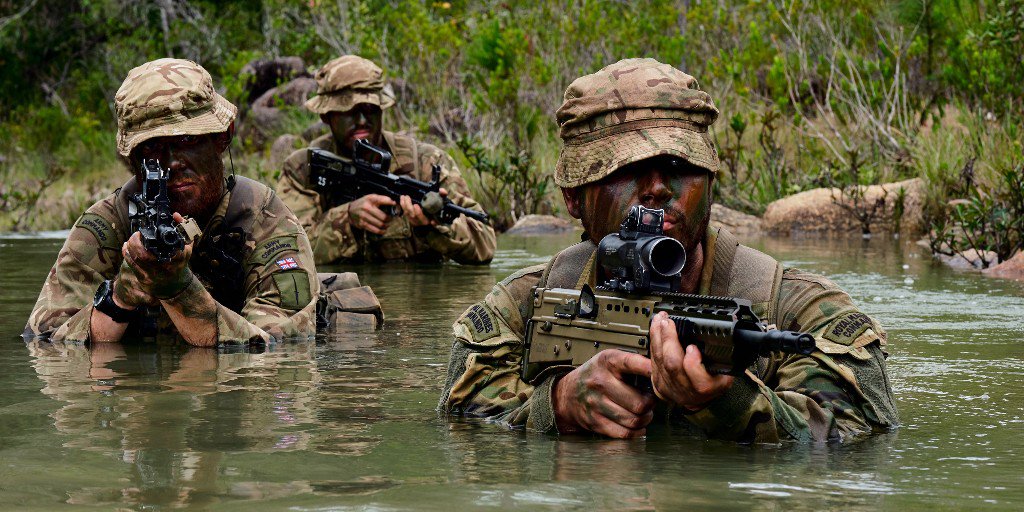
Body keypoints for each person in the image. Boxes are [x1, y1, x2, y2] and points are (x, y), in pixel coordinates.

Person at [438, 58, 899, 442]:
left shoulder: (798, 312)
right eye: (628, 169)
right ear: (572, 194)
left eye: (679, 166)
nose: (657, 188)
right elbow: (458, 411)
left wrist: (728, 402)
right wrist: (557, 405)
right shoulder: (526, 304)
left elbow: (859, 436)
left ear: (710, 182)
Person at [25, 58, 318, 346]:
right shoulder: (108, 225)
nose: (173, 162)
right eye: (152, 146)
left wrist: (179, 290)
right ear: (131, 157)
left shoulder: (265, 220)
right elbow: (43, 343)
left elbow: (282, 351)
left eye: (189, 139)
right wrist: (118, 298)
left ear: (222, 137)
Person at [276, 55, 496, 265]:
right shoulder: (304, 169)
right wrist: (346, 219)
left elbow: (485, 245)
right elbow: (285, 252)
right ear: (326, 116)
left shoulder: (426, 162)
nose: (362, 120)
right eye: (349, 111)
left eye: (370, 110)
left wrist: (433, 226)